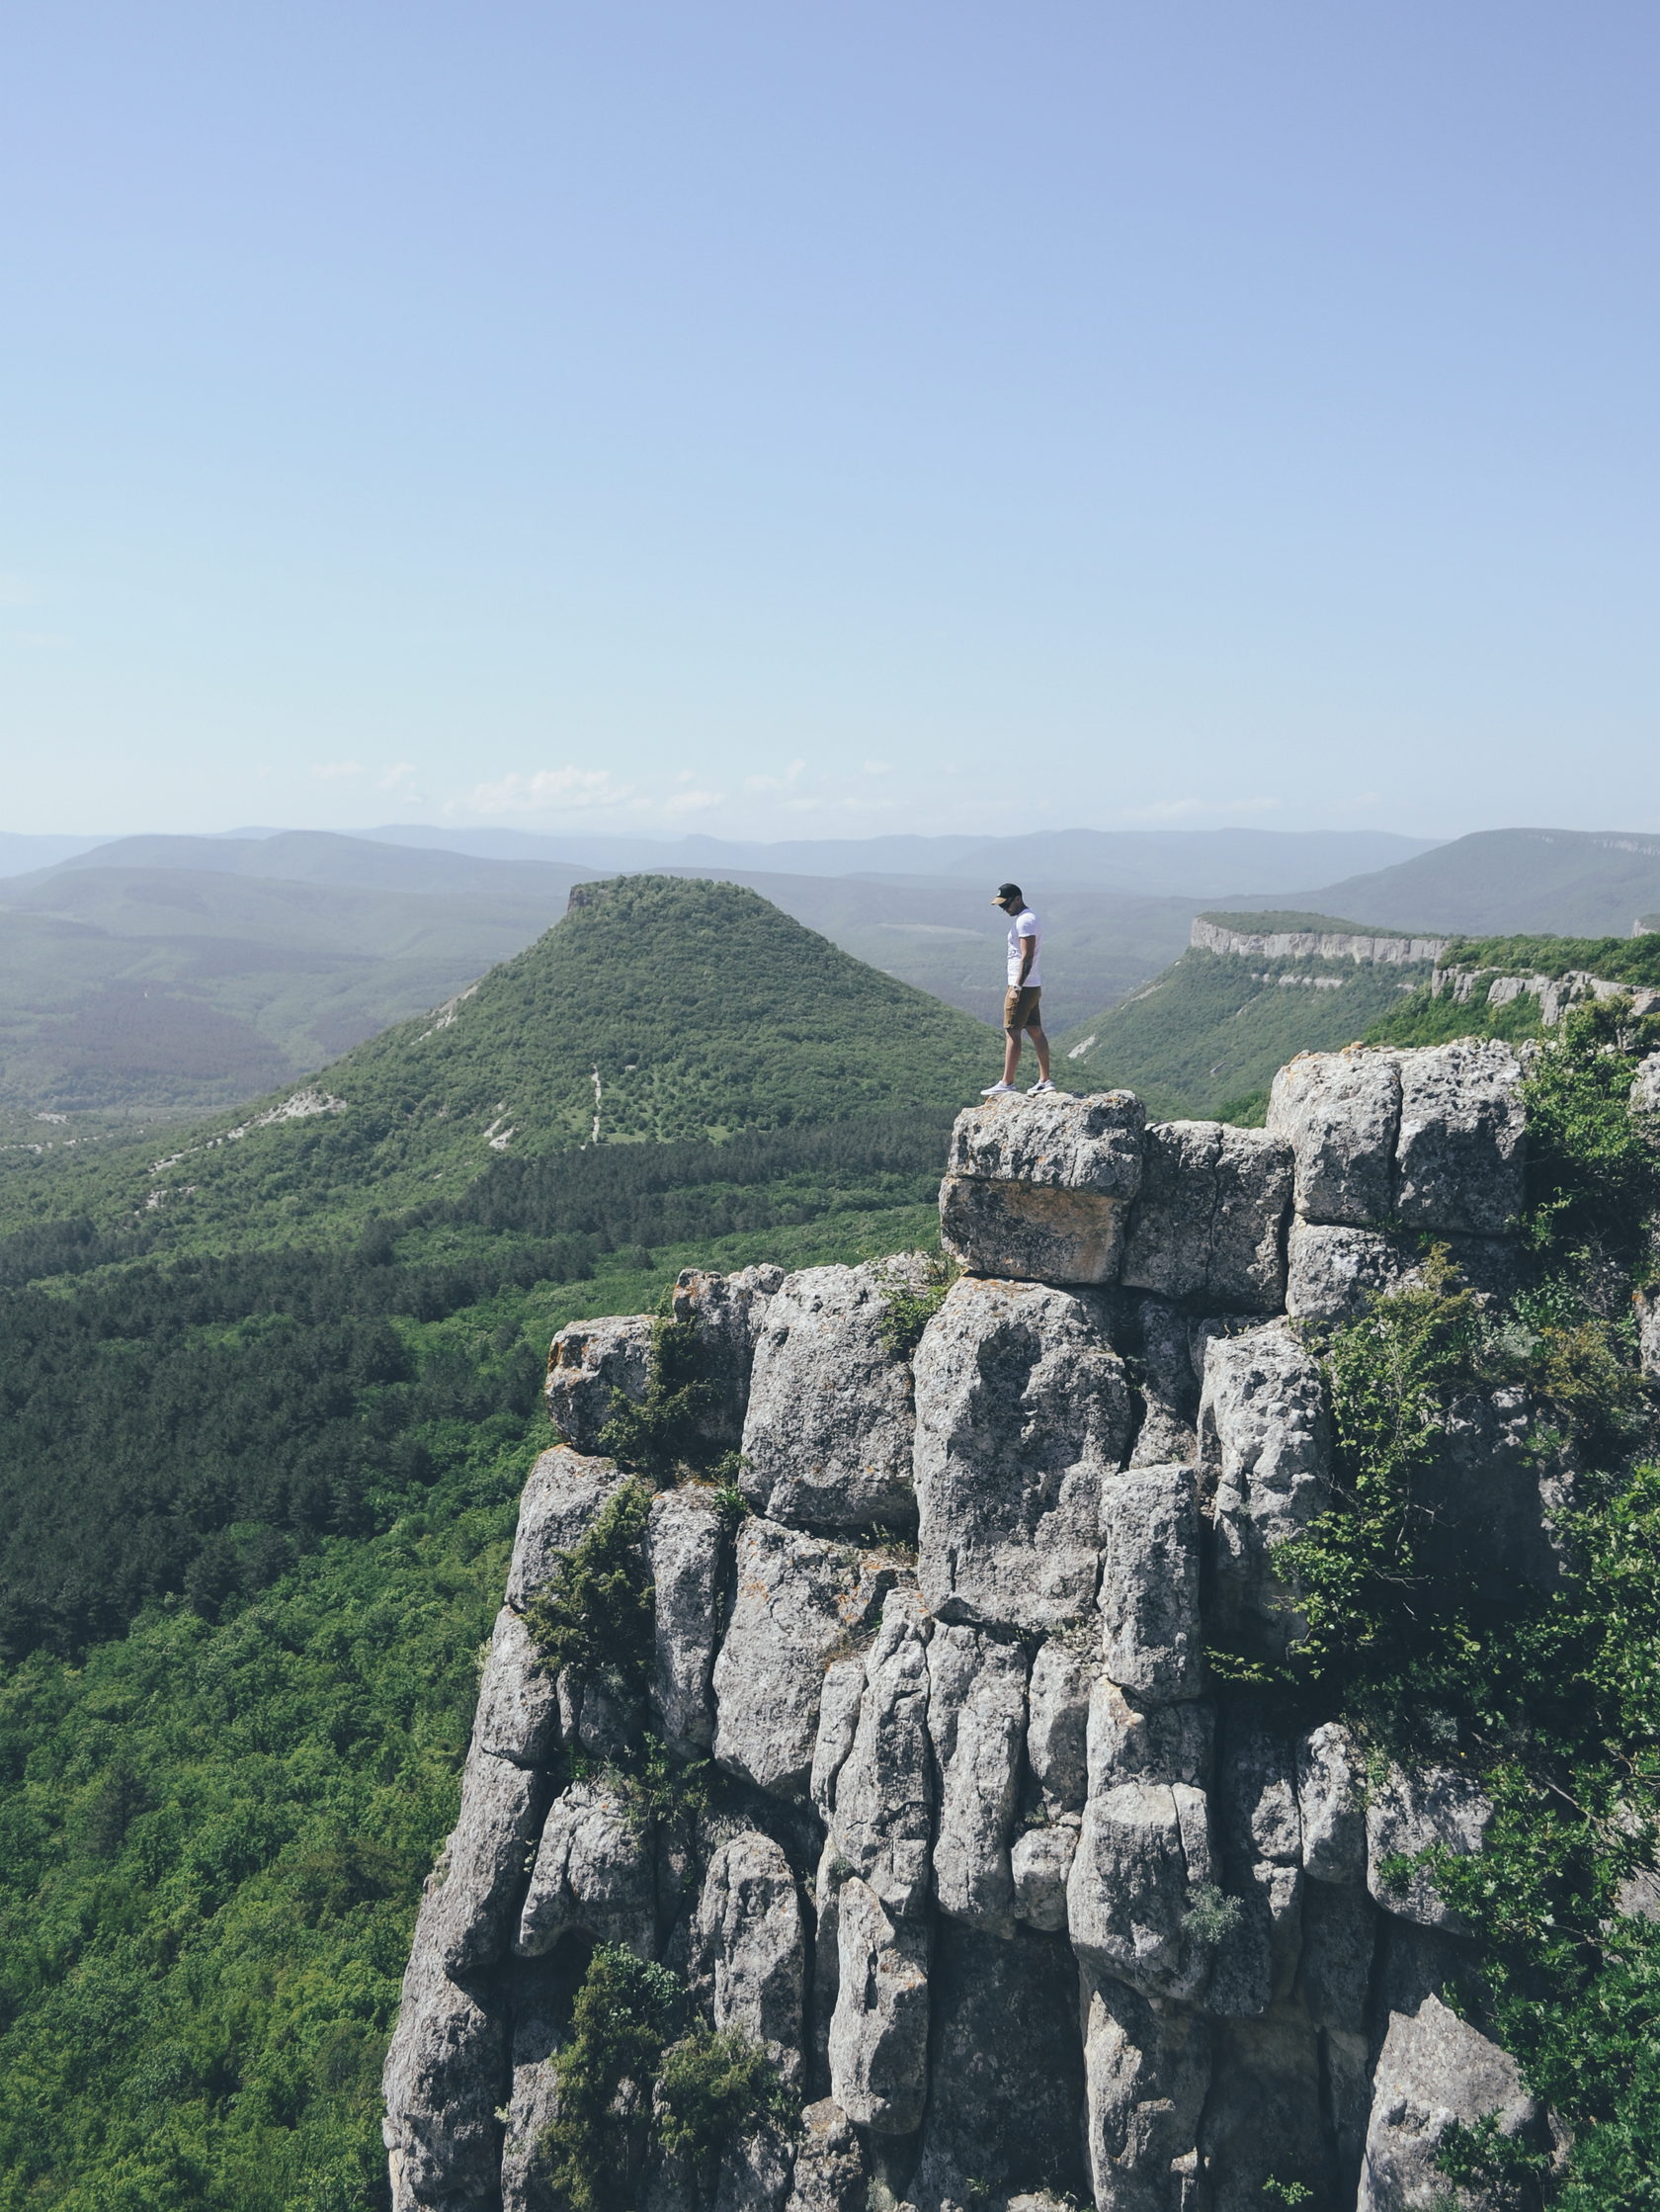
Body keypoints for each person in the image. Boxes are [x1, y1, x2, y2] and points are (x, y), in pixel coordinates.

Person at [982, 882, 1054, 1097]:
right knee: (1034, 1029)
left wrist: (1016, 986)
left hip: (1022, 986)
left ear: (1017, 899)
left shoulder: (1025, 921)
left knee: (1012, 1031)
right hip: (1031, 985)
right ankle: (1045, 1080)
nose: (1004, 909)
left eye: (1006, 904)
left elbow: (1027, 955)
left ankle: (1007, 1082)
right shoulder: (1029, 918)